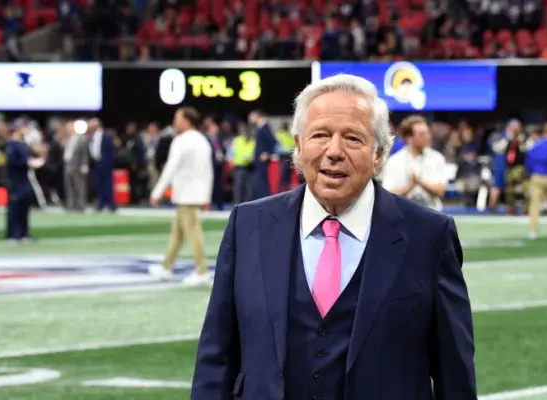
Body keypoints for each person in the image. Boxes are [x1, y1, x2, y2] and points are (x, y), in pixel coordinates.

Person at [191, 74, 477, 400]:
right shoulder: (248, 224)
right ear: (298, 147)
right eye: (320, 135)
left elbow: (454, 373)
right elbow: (217, 356)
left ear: (379, 154)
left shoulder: (430, 236)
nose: (334, 151)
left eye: (353, 138)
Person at [148, 107, 214, 286]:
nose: (175, 122)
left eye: (178, 118)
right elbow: (209, 171)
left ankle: (202, 271)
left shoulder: (182, 141)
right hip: (195, 193)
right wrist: (206, 196)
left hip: (186, 194)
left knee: (193, 233)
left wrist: (157, 192)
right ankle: (166, 267)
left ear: (187, 121)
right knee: (177, 233)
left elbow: (170, 168)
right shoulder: (202, 140)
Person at [382, 114, 448, 211]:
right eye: (422, 134)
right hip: (404, 215)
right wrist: (409, 187)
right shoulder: (394, 161)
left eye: (427, 133)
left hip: (432, 214)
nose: (427, 137)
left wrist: (421, 182)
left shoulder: (437, 158)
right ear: (409, 138)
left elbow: (440, 191)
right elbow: (388, 194)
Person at [5, 124, 44, 243]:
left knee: (24, 207)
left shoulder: (23, 144)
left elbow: (30, 157)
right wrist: (26, 163)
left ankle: (23, 233)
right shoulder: (11, 144)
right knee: (15, 207)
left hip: (24, 179)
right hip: (15, 179)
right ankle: (13, 234)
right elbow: (12, 161)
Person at [88, 118, 116, 212]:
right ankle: (101, 203)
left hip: (105, 163)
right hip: (96, 163)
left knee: (107, 184)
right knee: (98, 184)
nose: (90, 127)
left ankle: (110, 204)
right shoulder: (92, 136)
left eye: (92, 125)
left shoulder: (106, 135)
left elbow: (110, 151)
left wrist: (108, 163)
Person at [62, 121, 90, 212]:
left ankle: (81, 204)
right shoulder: (69, 139)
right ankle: (71, 204)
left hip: (77, 165)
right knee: (69, 186)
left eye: (69, 128)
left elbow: (84, 153)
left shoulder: (82, 139)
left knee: (79, 185)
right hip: (68, 164)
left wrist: (84, 165)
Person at [250, 109, 277, 200]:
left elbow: (273, 141)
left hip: (262, 160)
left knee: (261, 181)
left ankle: (264, 200)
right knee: (259, 181)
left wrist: (267, 153)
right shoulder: (260, 127)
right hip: (258, 159)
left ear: (258, 116)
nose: (251, 118)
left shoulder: (264, 127)